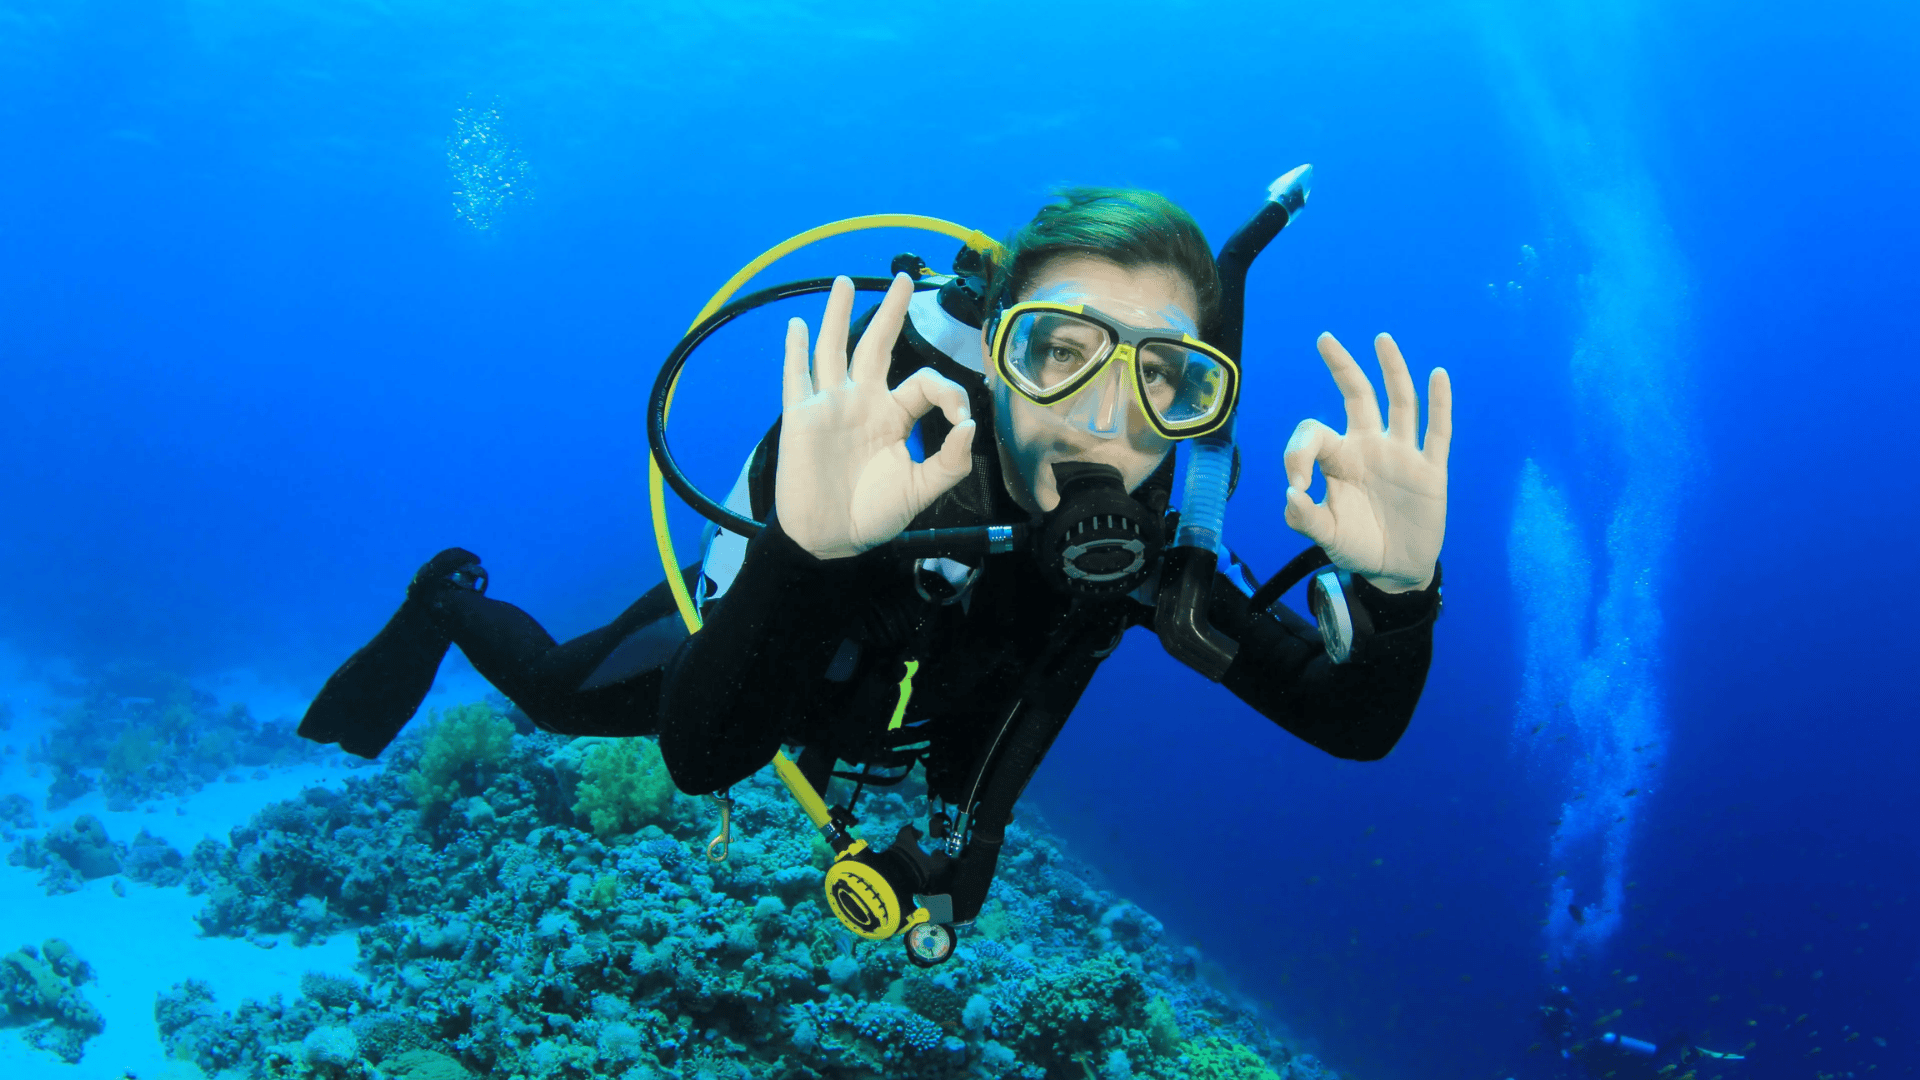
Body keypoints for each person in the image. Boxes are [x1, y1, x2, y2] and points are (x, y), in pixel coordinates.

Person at [300, 187, 1451, 934]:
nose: (1110, 422)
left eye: (1165, 376)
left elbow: (1350, 721)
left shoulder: (1158, 548)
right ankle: (447, 598)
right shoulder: (890, 472)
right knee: (557, 699)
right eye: (1059, 353)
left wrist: (1401, 601)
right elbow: (704, 756)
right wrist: (808, 553)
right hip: (773, 622)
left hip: (917, 713)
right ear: (994, 364)